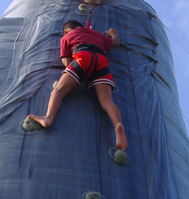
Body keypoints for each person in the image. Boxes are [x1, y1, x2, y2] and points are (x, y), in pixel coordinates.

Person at [27, 20, 127, 150]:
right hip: (100, 59)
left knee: (58, 90)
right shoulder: (96, 34)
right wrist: (113, 34)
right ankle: (117, 125)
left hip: (82, 56)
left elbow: (66, 61)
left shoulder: (67, 36)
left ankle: (48, 117)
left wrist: (74, 76)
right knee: (107, 101)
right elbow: (115, 43)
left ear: (66, 31)